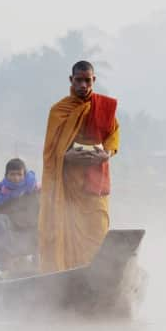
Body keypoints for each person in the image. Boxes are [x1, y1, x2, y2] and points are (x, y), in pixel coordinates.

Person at [37, 60, 119, 273]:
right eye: (79, 80)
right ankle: (69, 278)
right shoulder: (59, 111)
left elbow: (113, 134)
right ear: (71, 80)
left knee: (99, 229)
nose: (83, 85)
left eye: (87, 80)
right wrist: (66, 156)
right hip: (69, 186)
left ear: (94, 80)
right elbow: (50, 151)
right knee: (68, 233)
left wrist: (107, 153)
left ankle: (97, 277)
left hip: (95, 183)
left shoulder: (104, 107)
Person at [0, 158, 40, 275]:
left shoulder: (34, 190)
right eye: (12, 174)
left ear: (24, 174)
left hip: (32, 236)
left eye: (19, 174)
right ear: (6, 175)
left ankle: (35, 263)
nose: (16, 178)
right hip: (13, 240)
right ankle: (13, 262)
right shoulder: (2, 195)